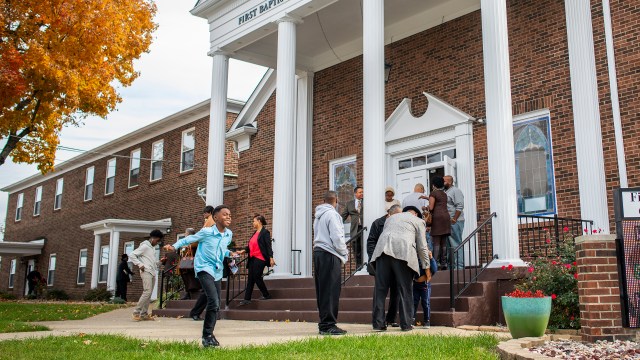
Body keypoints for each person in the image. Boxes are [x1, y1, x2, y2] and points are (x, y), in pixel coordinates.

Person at [164, 205, 239, 348]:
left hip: (217, 270)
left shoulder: (228, 234)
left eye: (229, 214)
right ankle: (207, 336)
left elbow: (222, 250)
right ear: (215, 217)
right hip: (204, 268)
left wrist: (231, 254)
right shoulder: (207, 232)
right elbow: (190, 239)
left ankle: (209, 334)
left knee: (216, 305)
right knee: (213, 301)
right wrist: (174, 246)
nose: (228, 216)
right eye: (225, 214)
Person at [370, 205, 430, 332]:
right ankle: (406, 323)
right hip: (403, 252)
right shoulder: (419, 221)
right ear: (415, 215)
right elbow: (422, 247)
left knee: (380, 290)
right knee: (405, 288)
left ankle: (378, 324)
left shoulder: (390, 218)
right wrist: (427, 267)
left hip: (381, 252)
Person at [314, 190, 349, 335]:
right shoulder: (333, 215)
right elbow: (337, 237)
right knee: (331, 290)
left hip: (318, 252)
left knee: (322, 290)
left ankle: (324, 324)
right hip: (329, 254)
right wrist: (344, 253)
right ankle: (328, 325)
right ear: (336, 200)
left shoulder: (318, 216)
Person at [366, 204, 402, 327]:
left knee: (396, 291)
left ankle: (391, 319)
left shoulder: (400, 224)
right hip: (381, 262)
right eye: (397, 215)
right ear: (389, 214)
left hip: (396, 262)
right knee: (380, 292)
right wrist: (374, 260)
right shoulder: (378, 223)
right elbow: (371, 242)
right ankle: (378, 321)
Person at [238, 214, 275, 306]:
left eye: (254, 221)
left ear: (259, 221)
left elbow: (268, 246)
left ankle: (266, 294)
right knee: (251, 278)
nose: (253, 223)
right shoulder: (255, 233)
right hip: (252, 258)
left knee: (256, 276)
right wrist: (244, 250)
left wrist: (271, 258)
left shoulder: (265, 232)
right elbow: (251, 245)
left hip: (260, 258)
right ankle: (247, 299)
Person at [129, 229, 164, 321]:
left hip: (152, 272)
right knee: (147, 292)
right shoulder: (145, 246)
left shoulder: (152, 248)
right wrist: (140, 264)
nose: (157, 243)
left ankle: (144, 314)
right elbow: (132, 255)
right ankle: (136, 312)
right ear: (153, 238)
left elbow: (152, 263)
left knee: (149, 294)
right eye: (157, 240)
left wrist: (160, 262)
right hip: (146, 271)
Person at [428, 176, 452, 269]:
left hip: (437, 218)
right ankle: (444, 263)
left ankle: (435, 264)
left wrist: (425, 208)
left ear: (433, 185)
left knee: (436, 242)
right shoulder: (444, 194)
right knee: (444, 242)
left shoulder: (433, 193)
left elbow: (431, 207)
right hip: (446, 218)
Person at [444, 175, 465, 270]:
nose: (442, 182)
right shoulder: (445, 192)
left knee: (456, 244)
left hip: (455, 222)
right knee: (449, 246)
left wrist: (454, 218)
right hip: (447, 222)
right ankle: (451, 268)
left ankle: (459, 267)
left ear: (449, 182)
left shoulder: (455, 191)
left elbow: (460, 205)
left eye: (444, 181)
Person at [341, 186, 364, 267]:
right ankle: (359, 266)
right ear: (355, 193)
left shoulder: (367, 201)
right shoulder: (349, 204)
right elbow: (343, 216)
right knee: (356, 247)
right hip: (355, 229)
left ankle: (366, 265)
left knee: (364, 246)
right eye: (360, 192)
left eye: (362, 192)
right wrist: (337, 223)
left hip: (364, 228)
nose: (362, 193)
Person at [413, 254, 433, 329]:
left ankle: (427, 320)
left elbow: (434, 269)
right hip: (415, 284)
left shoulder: (427, 258)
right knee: (414, 302)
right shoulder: (415, 257)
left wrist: (431, 258)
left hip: (425, 285)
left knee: (425, 302)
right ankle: (412, 319)